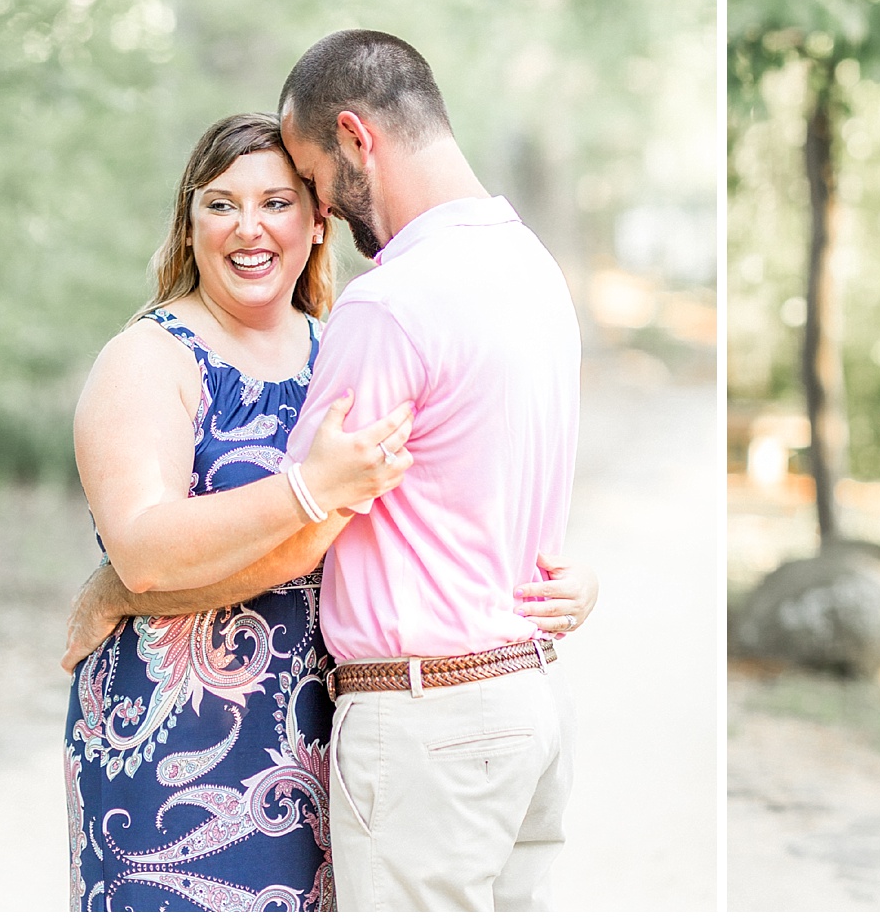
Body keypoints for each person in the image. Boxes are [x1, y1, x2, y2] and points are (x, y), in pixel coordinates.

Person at [61, 113, 595, 912]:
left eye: (277, 201)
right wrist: (302, 491)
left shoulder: (346, 340)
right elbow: (142, 548)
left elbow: (453, 496)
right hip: (179, 740)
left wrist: (563, 575)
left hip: (332, 734)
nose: (250, 228)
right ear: (189, 222)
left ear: (318, 223)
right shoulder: (150, 358)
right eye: (220, 204)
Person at [275, 30, 583, 912]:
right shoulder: (533, 271)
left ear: (355, 136)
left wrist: (130, 585)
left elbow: (299, 523)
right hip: (526, 703)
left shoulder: (391, 305)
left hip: (428, 729)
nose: (321, 211)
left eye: (313, 177)